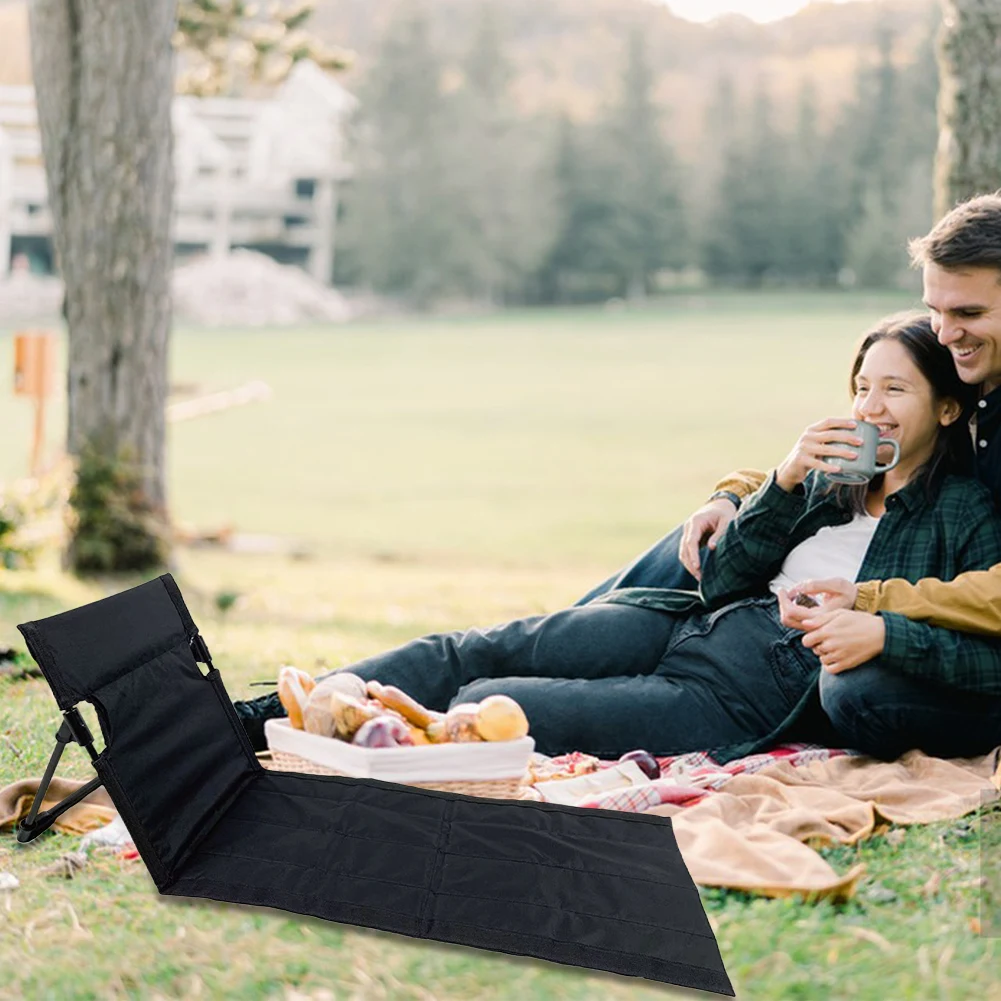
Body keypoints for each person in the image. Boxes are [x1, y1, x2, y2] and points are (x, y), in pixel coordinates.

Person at [235, 312, 1001, 764]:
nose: (869, 406)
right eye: (861, 385)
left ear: (942, 410)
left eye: (893, 389)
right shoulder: (830, 481)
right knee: (482, 648)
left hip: (736, 690)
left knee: (489, 701)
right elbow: (727, 575)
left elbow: (980, 655)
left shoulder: (962, 515)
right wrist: (783, 477)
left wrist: (877, 630)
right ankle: (272, 712)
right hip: (684, 622)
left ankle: (356, 743)